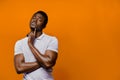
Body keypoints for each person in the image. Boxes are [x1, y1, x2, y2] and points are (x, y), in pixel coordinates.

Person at [14, 10, 58, 80]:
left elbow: (48, 64)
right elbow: (19, 68)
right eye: (34, 18)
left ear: (44, 25)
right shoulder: (20, 43)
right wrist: (44, 61)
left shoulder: (52, 40)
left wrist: (30, 44)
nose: (35, 20)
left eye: (39, 19)